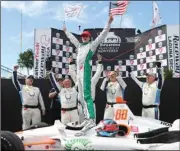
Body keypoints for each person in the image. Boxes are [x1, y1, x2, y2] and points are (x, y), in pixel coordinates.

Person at [63, 14, 114, 134]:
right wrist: (65, 31)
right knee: (81, 97)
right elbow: (73, 39)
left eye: (86, 36)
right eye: (83, 36)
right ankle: (86, 118)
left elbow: (102, 35)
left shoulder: (92, 45)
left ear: (89, 37)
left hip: (85, 70)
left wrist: (109, 23)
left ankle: (91, 119)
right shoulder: (80, 46)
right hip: (79, 70)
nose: (84, 38)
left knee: (86, 95)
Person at [68, 54, 104, 123]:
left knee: (91, 124)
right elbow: (72, 72)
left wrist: (100, 62)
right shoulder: (78, 81)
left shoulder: (92, 81)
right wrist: (71, 63)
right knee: (80, 125)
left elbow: (98, 72)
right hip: (80, 106)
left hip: (90, 106)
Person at [12, 65, 46, 130]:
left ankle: (36, 139)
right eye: (29, 78)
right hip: (26, 109)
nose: (31, 79)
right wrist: (15, 71)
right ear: (25, 80)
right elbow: (15, 81)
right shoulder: (22, 87)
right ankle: (26, 138)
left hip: (36, 109)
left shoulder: (37, 89)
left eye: (32, 79)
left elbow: (40, 99)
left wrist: (43, 108)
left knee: (37, 126)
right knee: (26, 125)